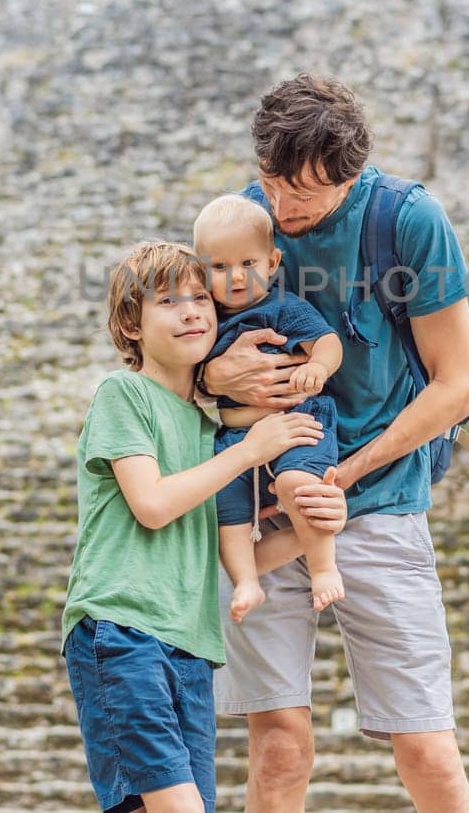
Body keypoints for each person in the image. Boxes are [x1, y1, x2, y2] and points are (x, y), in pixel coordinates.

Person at [200, 74, 469, 811]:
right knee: (280, 747)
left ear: (351, 175)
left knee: (426, 748)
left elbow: (459, 387)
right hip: (264, 508)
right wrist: (215, 373)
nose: (283, 211)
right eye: (272, 183)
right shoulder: (244, 217)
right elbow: (177, 348)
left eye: (307, 197)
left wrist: (343, 478)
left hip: (379, 500)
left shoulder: (407, 220)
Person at [60, 240, 348, 813]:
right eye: (168, 301)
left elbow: (231, 552)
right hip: (123, 630)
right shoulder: (126, 395)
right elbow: (153, 505)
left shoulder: (209, 427)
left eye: (199, 298)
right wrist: (249, 454)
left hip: (191, 648)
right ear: (131, 325)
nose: (192, 311)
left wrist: (316, 521)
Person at [193, 193, 347, 621]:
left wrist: (317, 365)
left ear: (273, 263)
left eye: (249, 264)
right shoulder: (203, 321)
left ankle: (323, 566)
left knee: (299, 484)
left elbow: (328, 341)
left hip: (298, 421)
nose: (236, 277)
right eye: (219, 267)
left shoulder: (281, 307)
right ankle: (246, 580)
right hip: (236, 435)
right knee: (225, 506)